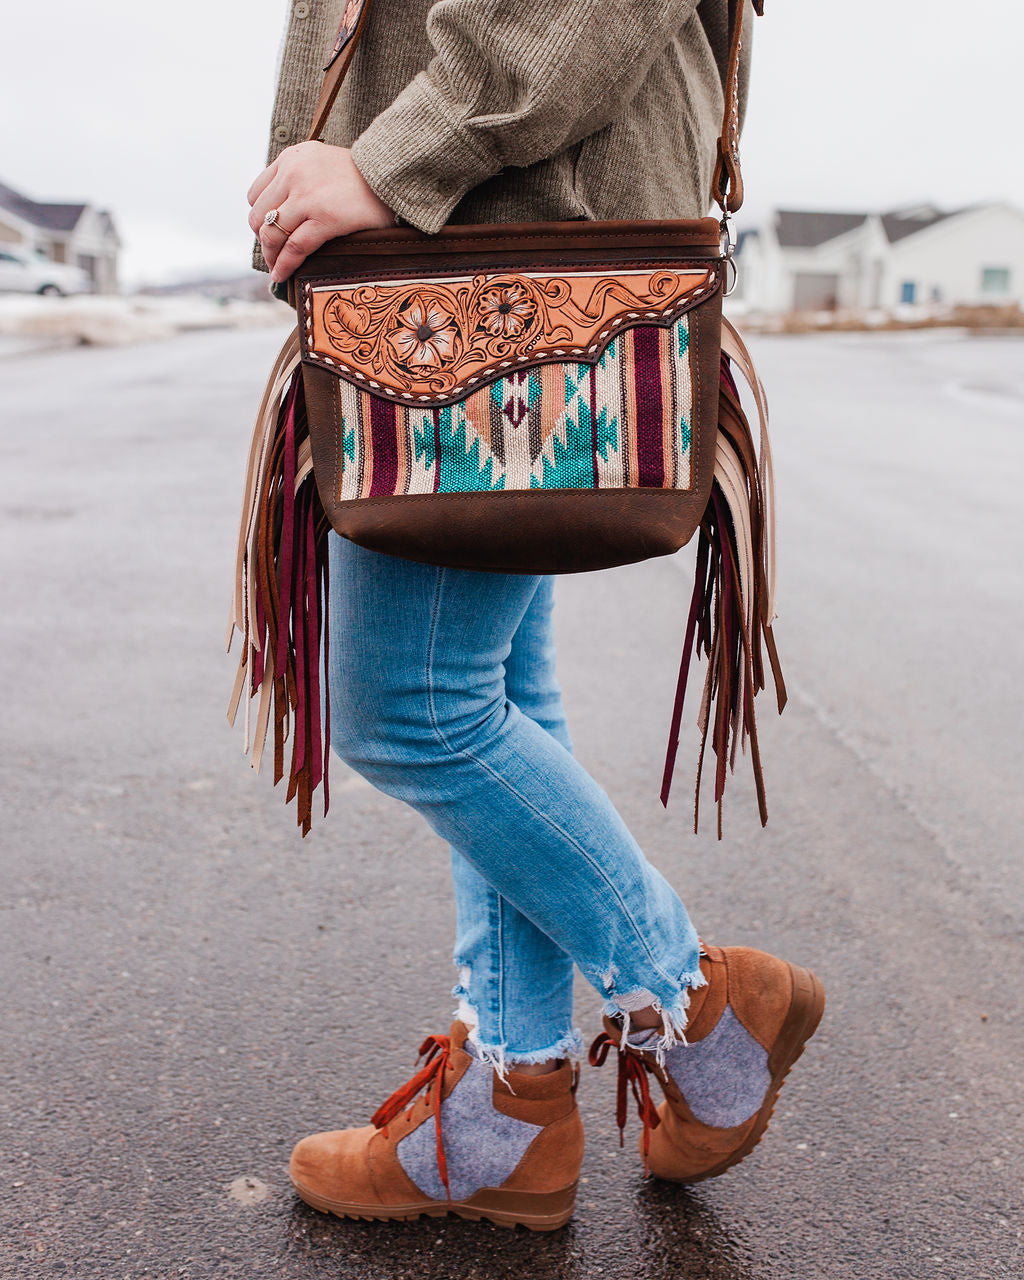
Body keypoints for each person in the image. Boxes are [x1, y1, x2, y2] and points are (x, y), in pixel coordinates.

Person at [245, 0, 823, 1232]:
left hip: (488, 250)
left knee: (412, 707)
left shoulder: (435, 177)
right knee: (490, 694)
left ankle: (695, 1008)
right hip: (476, 234)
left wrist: (389, 160)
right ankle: (509, 1107)